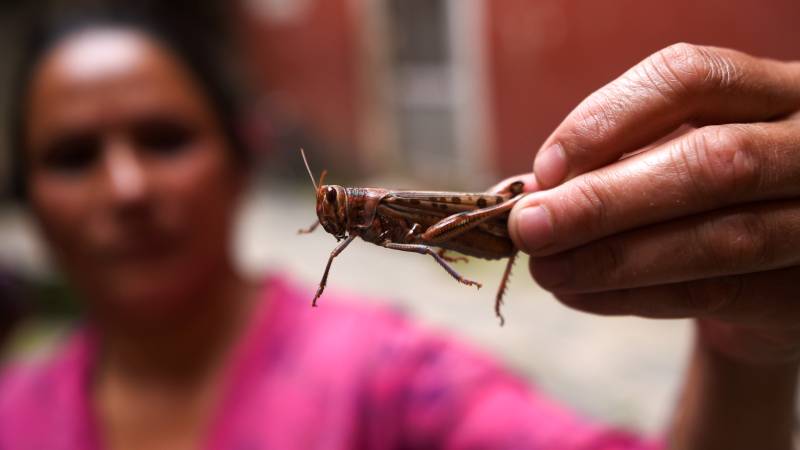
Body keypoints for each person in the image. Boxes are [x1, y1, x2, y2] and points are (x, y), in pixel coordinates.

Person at [0, 9, 795, 450]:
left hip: (471, 216)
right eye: (73, 156)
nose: (127, 189)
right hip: (451, 236)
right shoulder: (14, 417)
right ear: (28, 195)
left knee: (489, 211)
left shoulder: (394, 378)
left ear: (238, 156)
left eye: (164, 139)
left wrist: (747, 352)